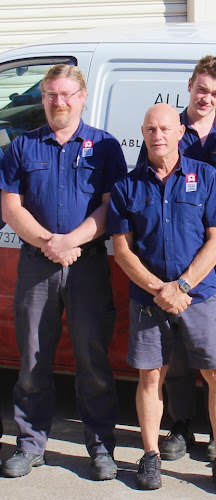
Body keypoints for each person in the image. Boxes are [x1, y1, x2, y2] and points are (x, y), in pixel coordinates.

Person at [107, 103, 216, 493]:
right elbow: (123, 250)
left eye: (165, 128)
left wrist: (180, 286)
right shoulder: (127, 186)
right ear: (143, 133)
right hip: (149, 300)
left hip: (199, 296)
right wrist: (158, 289)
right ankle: (150, 456)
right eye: (151, 129)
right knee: (151, 376)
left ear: (181, 132)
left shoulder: (207, 177)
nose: (158, 135)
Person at [0, 64, 125, 480]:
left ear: (82, 97)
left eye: (67, 94)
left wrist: (70, 241)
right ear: (42, 98)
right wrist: (48, 243)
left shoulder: (105, 146)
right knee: (33, 359)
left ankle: (101, 448)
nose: (59, 102)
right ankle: (30, 445)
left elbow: (110, 207)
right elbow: (10, 207)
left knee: (93, 360)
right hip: (37, 266)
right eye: (51, 94)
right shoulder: (23, 146)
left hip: (87, 265)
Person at [150, 55, 216, 462]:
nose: (207, 98)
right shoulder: (167, 127)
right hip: (171, 255)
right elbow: (147, 186)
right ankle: (180, 424)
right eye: (202, 89)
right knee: (175, 346)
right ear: (190, 84)